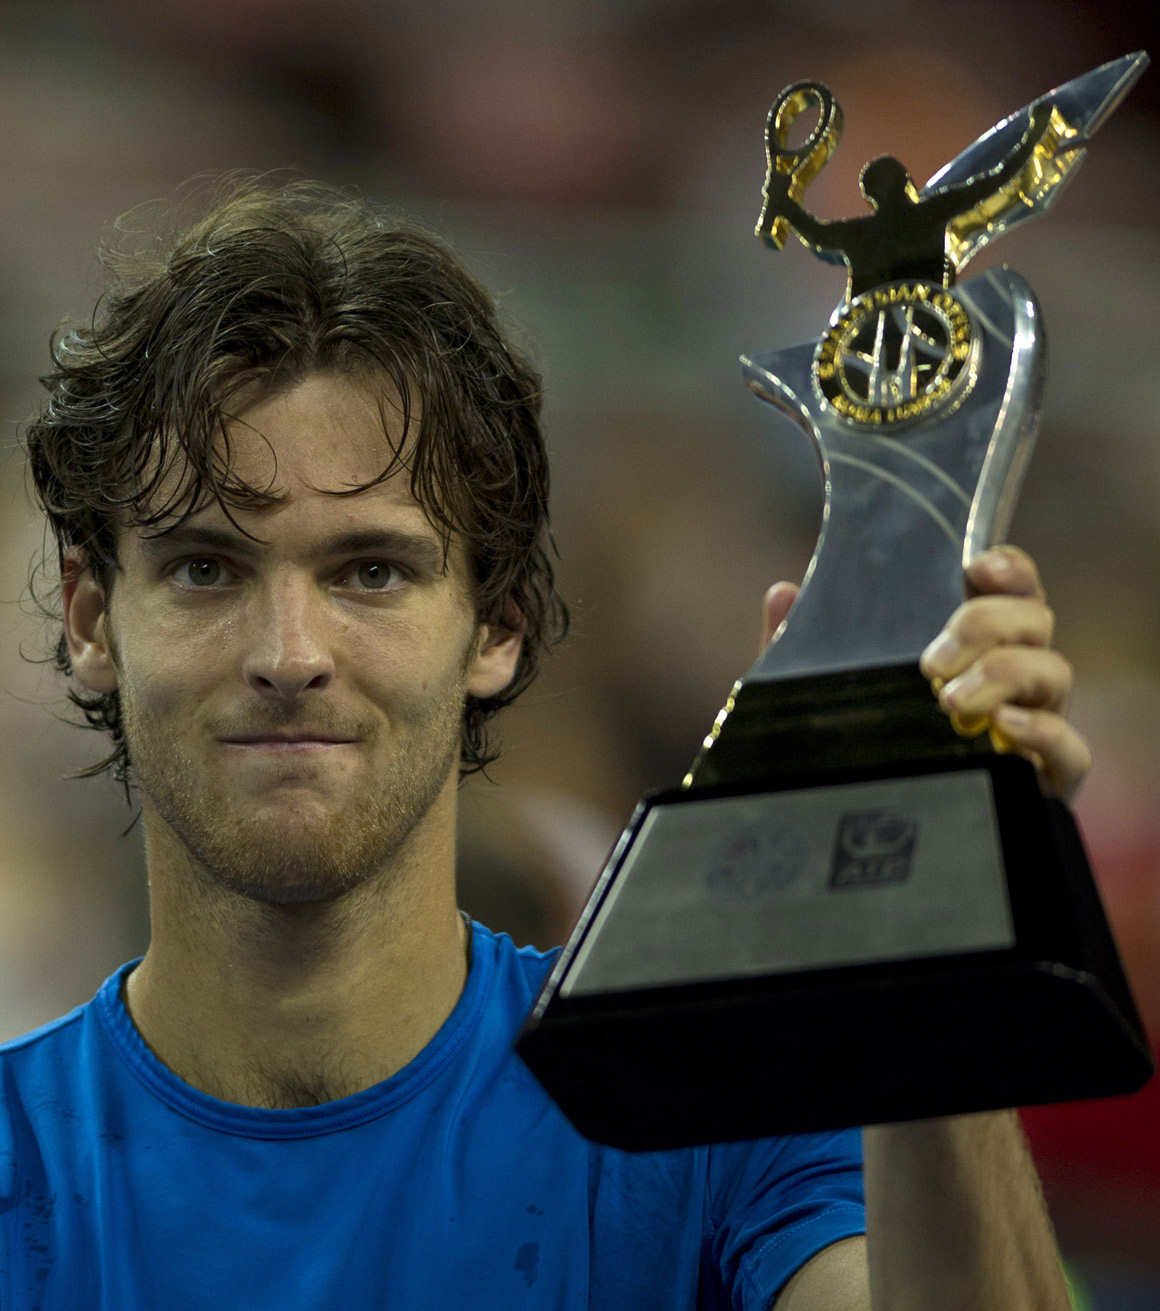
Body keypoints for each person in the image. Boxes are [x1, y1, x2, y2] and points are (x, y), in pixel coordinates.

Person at [0, 180, 1084, 1309]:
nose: (289, 653)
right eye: (205, 568)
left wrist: (928, 893)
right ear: (91, 621)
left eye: (370, 571)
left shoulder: (713, 1113)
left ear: (498, 625)